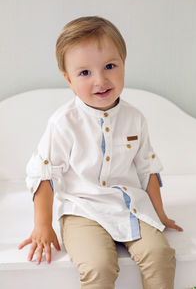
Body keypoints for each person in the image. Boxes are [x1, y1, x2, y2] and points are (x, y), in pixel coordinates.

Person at [19, 16, 183, 289]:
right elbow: (44, 174)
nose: (101, 80)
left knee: (160, 254)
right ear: (68, 79)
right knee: (99, 265)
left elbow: (147, 168)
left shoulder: (135, 118)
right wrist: (42, 225)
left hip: (128, 205)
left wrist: (159, 213)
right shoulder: (63, 122)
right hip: (81, 209)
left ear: (123, 64)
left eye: (110, 66)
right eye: (85, 73)